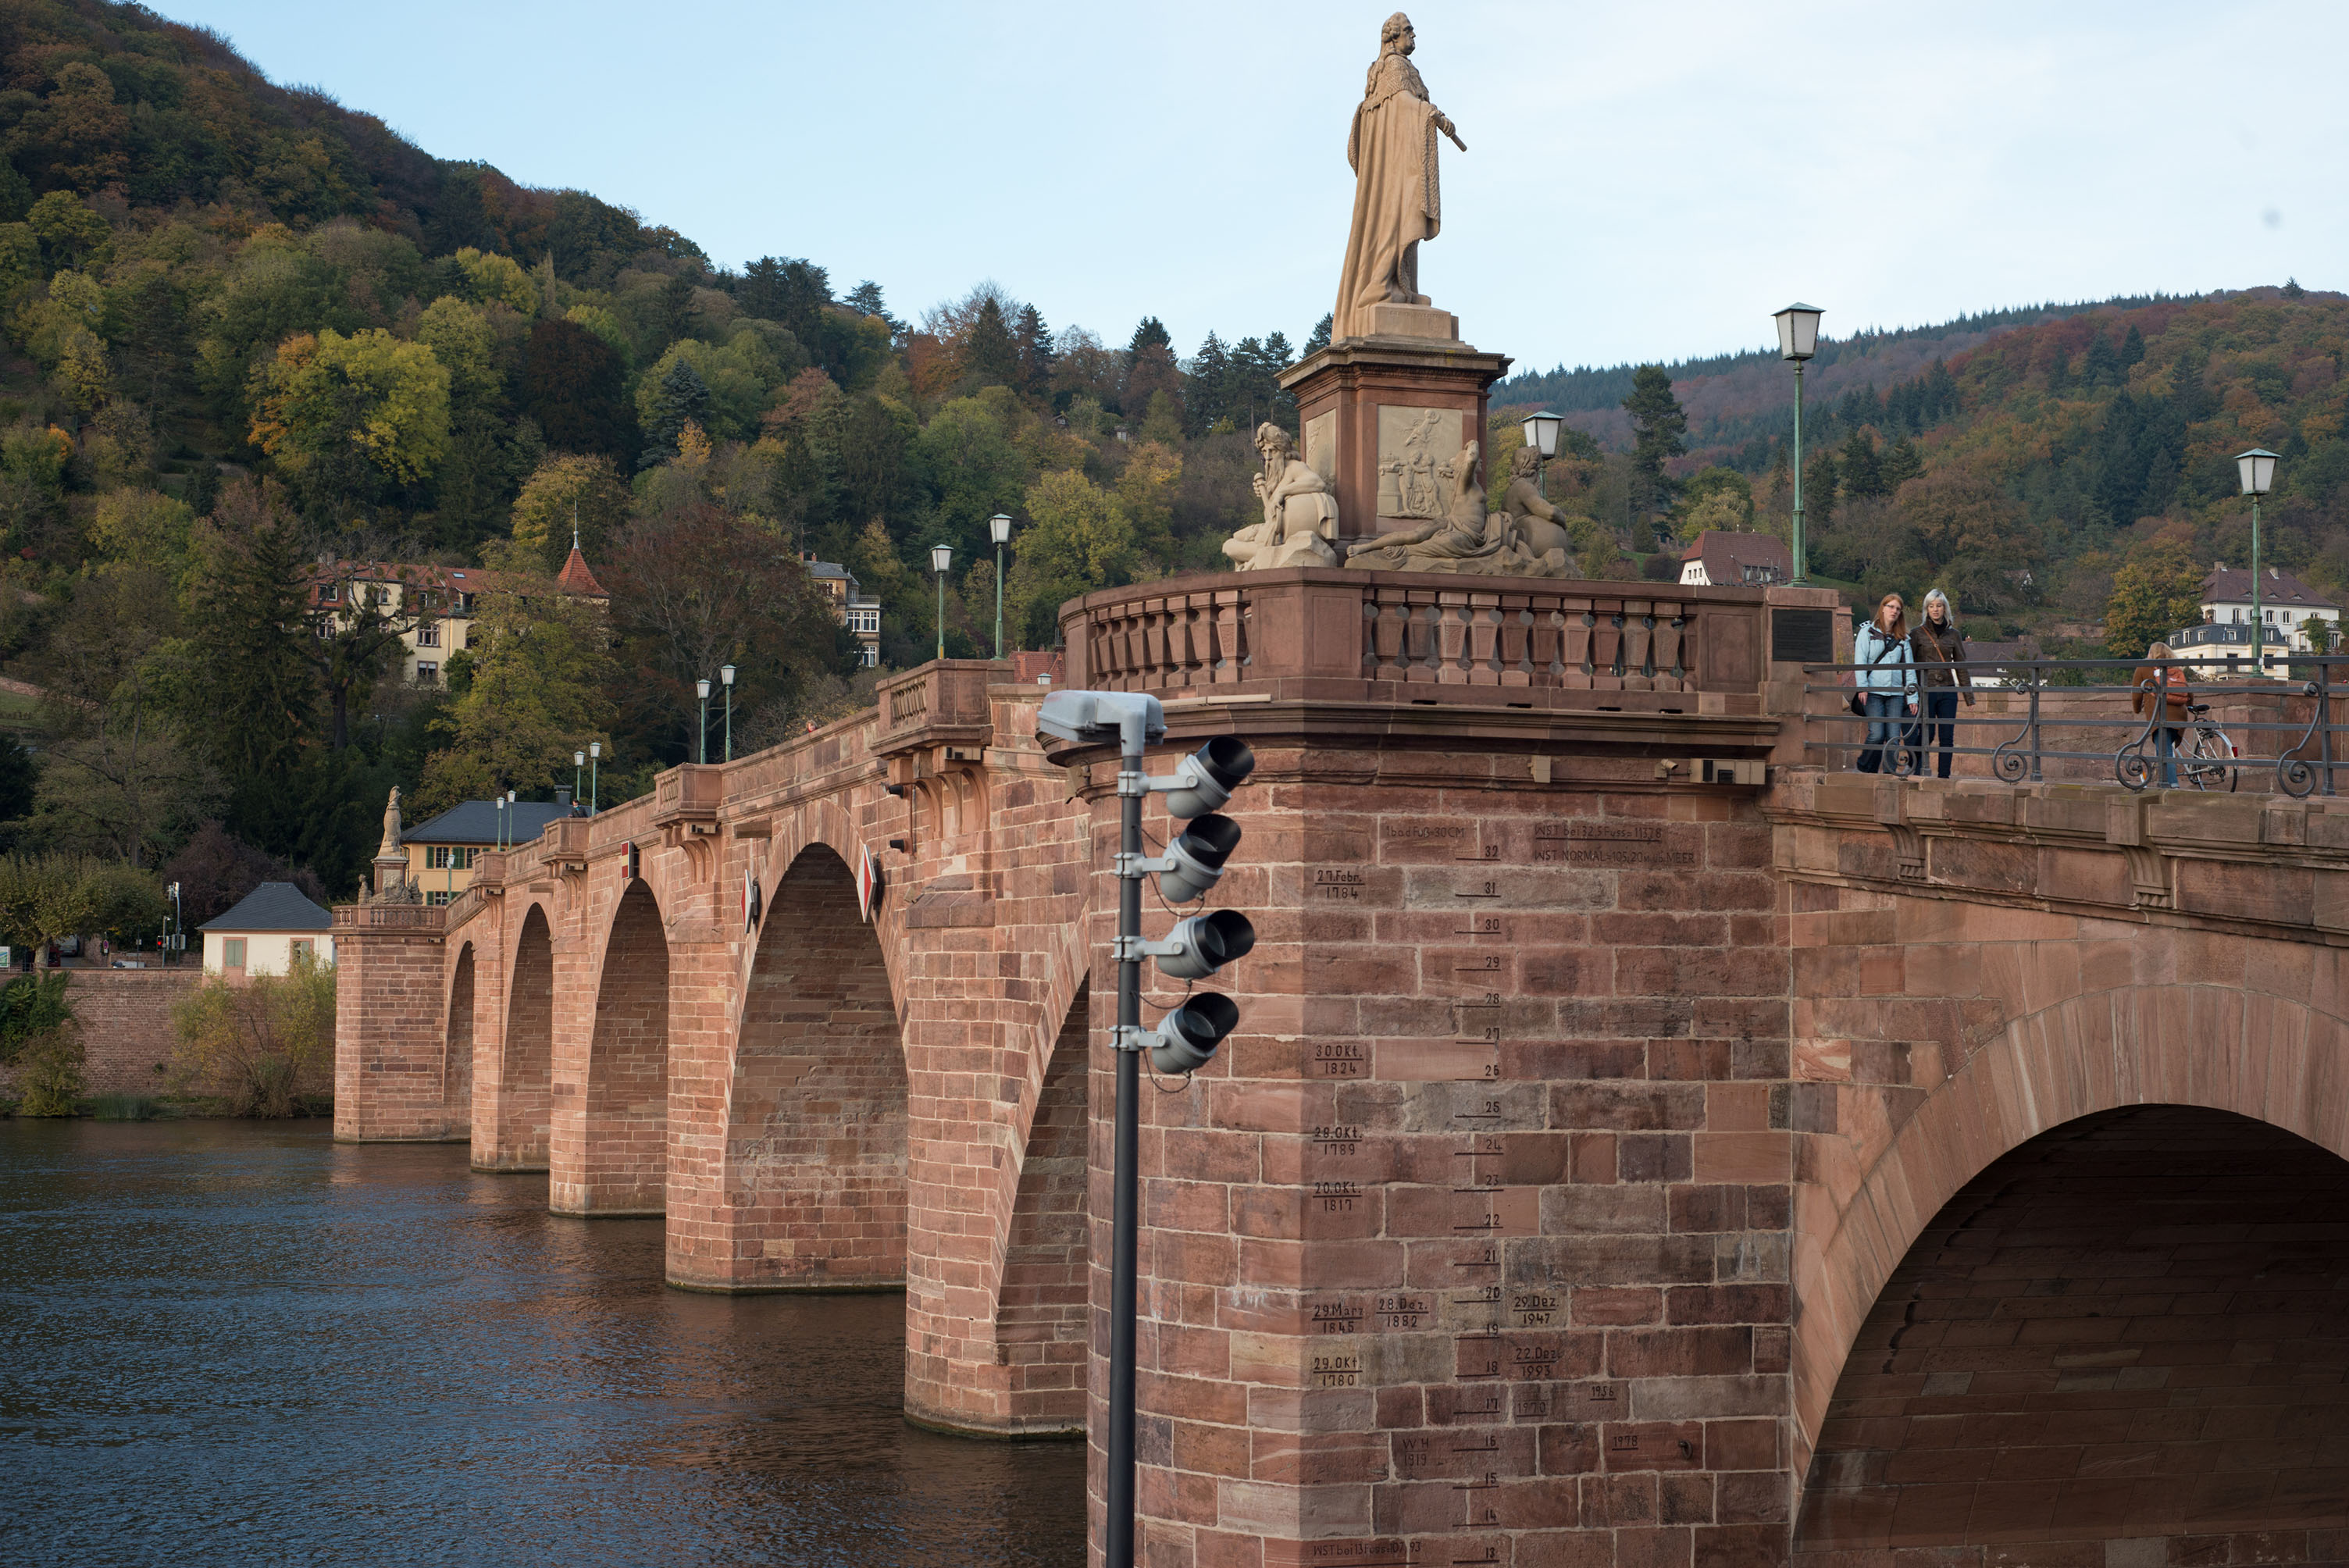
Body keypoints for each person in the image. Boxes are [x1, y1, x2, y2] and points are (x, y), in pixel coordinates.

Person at [1909, 588, 1976, 779]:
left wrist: (1968, 696)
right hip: (1926, 689)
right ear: (1926, 609)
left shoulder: (1953, 635)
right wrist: (1912, 694)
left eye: (1939, 606)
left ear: (1944, 608)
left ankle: (1944, 777)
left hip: (1948, 690)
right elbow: (1910, 666)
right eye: (1931, 606)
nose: (1935, 609)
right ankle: (1916, 771)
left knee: (1947, 737)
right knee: (1926, 735)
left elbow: (1961, 666)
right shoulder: (1917, 634)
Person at [1852, 593, 1916, 774]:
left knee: (1893, 737)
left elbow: (1909, 670)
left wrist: (1913, 698)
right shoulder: (1867, 632)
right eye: (1891, 607)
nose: (1894, 611)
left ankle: (1890, 773)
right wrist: (1862, 688)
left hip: (1895, 693)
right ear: (1883, 608)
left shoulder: (1903, 639)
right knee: (1877, 734)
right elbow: (1860, 662)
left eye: (1898, 609)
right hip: (1873, 691)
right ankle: (1864, 767)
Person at [2132, 641, 2190, 787]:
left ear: (2151, 653)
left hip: (2159, 714)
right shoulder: (2175, 667)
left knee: (2165, 753)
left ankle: (2171, 784)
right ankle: (2164, 782)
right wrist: (2190, 706)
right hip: (2179, 713)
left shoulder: (2144, 667)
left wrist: (2137, 709)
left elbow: (2136, 695)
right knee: (2164, 749)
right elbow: (2187, 690)